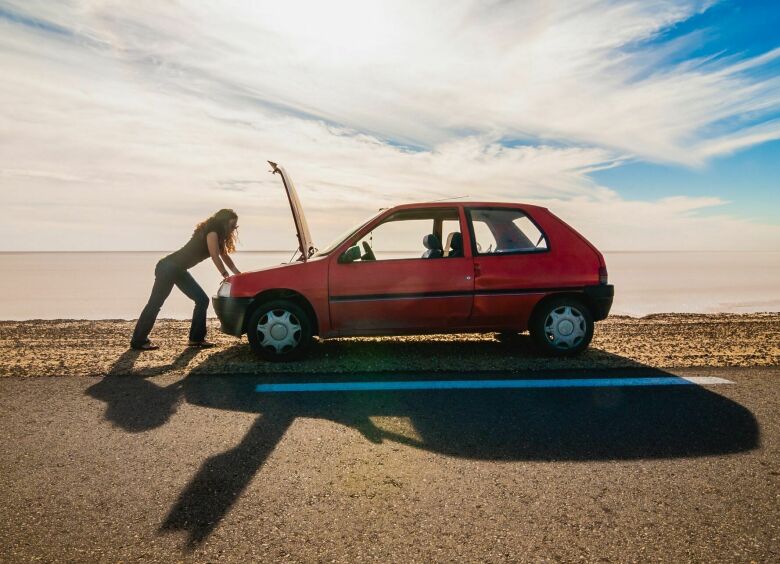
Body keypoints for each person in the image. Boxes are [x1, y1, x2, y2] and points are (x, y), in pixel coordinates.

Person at [130, 209, 241, 351]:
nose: (233, 229)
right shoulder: (212, 232)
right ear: (224, 222)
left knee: (202, 300)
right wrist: (225, 275)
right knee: (155, 303)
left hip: (178, 270)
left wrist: (237, 274)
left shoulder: (218, 236)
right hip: (168, 268)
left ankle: (196, 339)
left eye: (235, 227)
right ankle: (138, 340)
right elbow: (215, 256)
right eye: (232, 226)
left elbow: (225, 256)